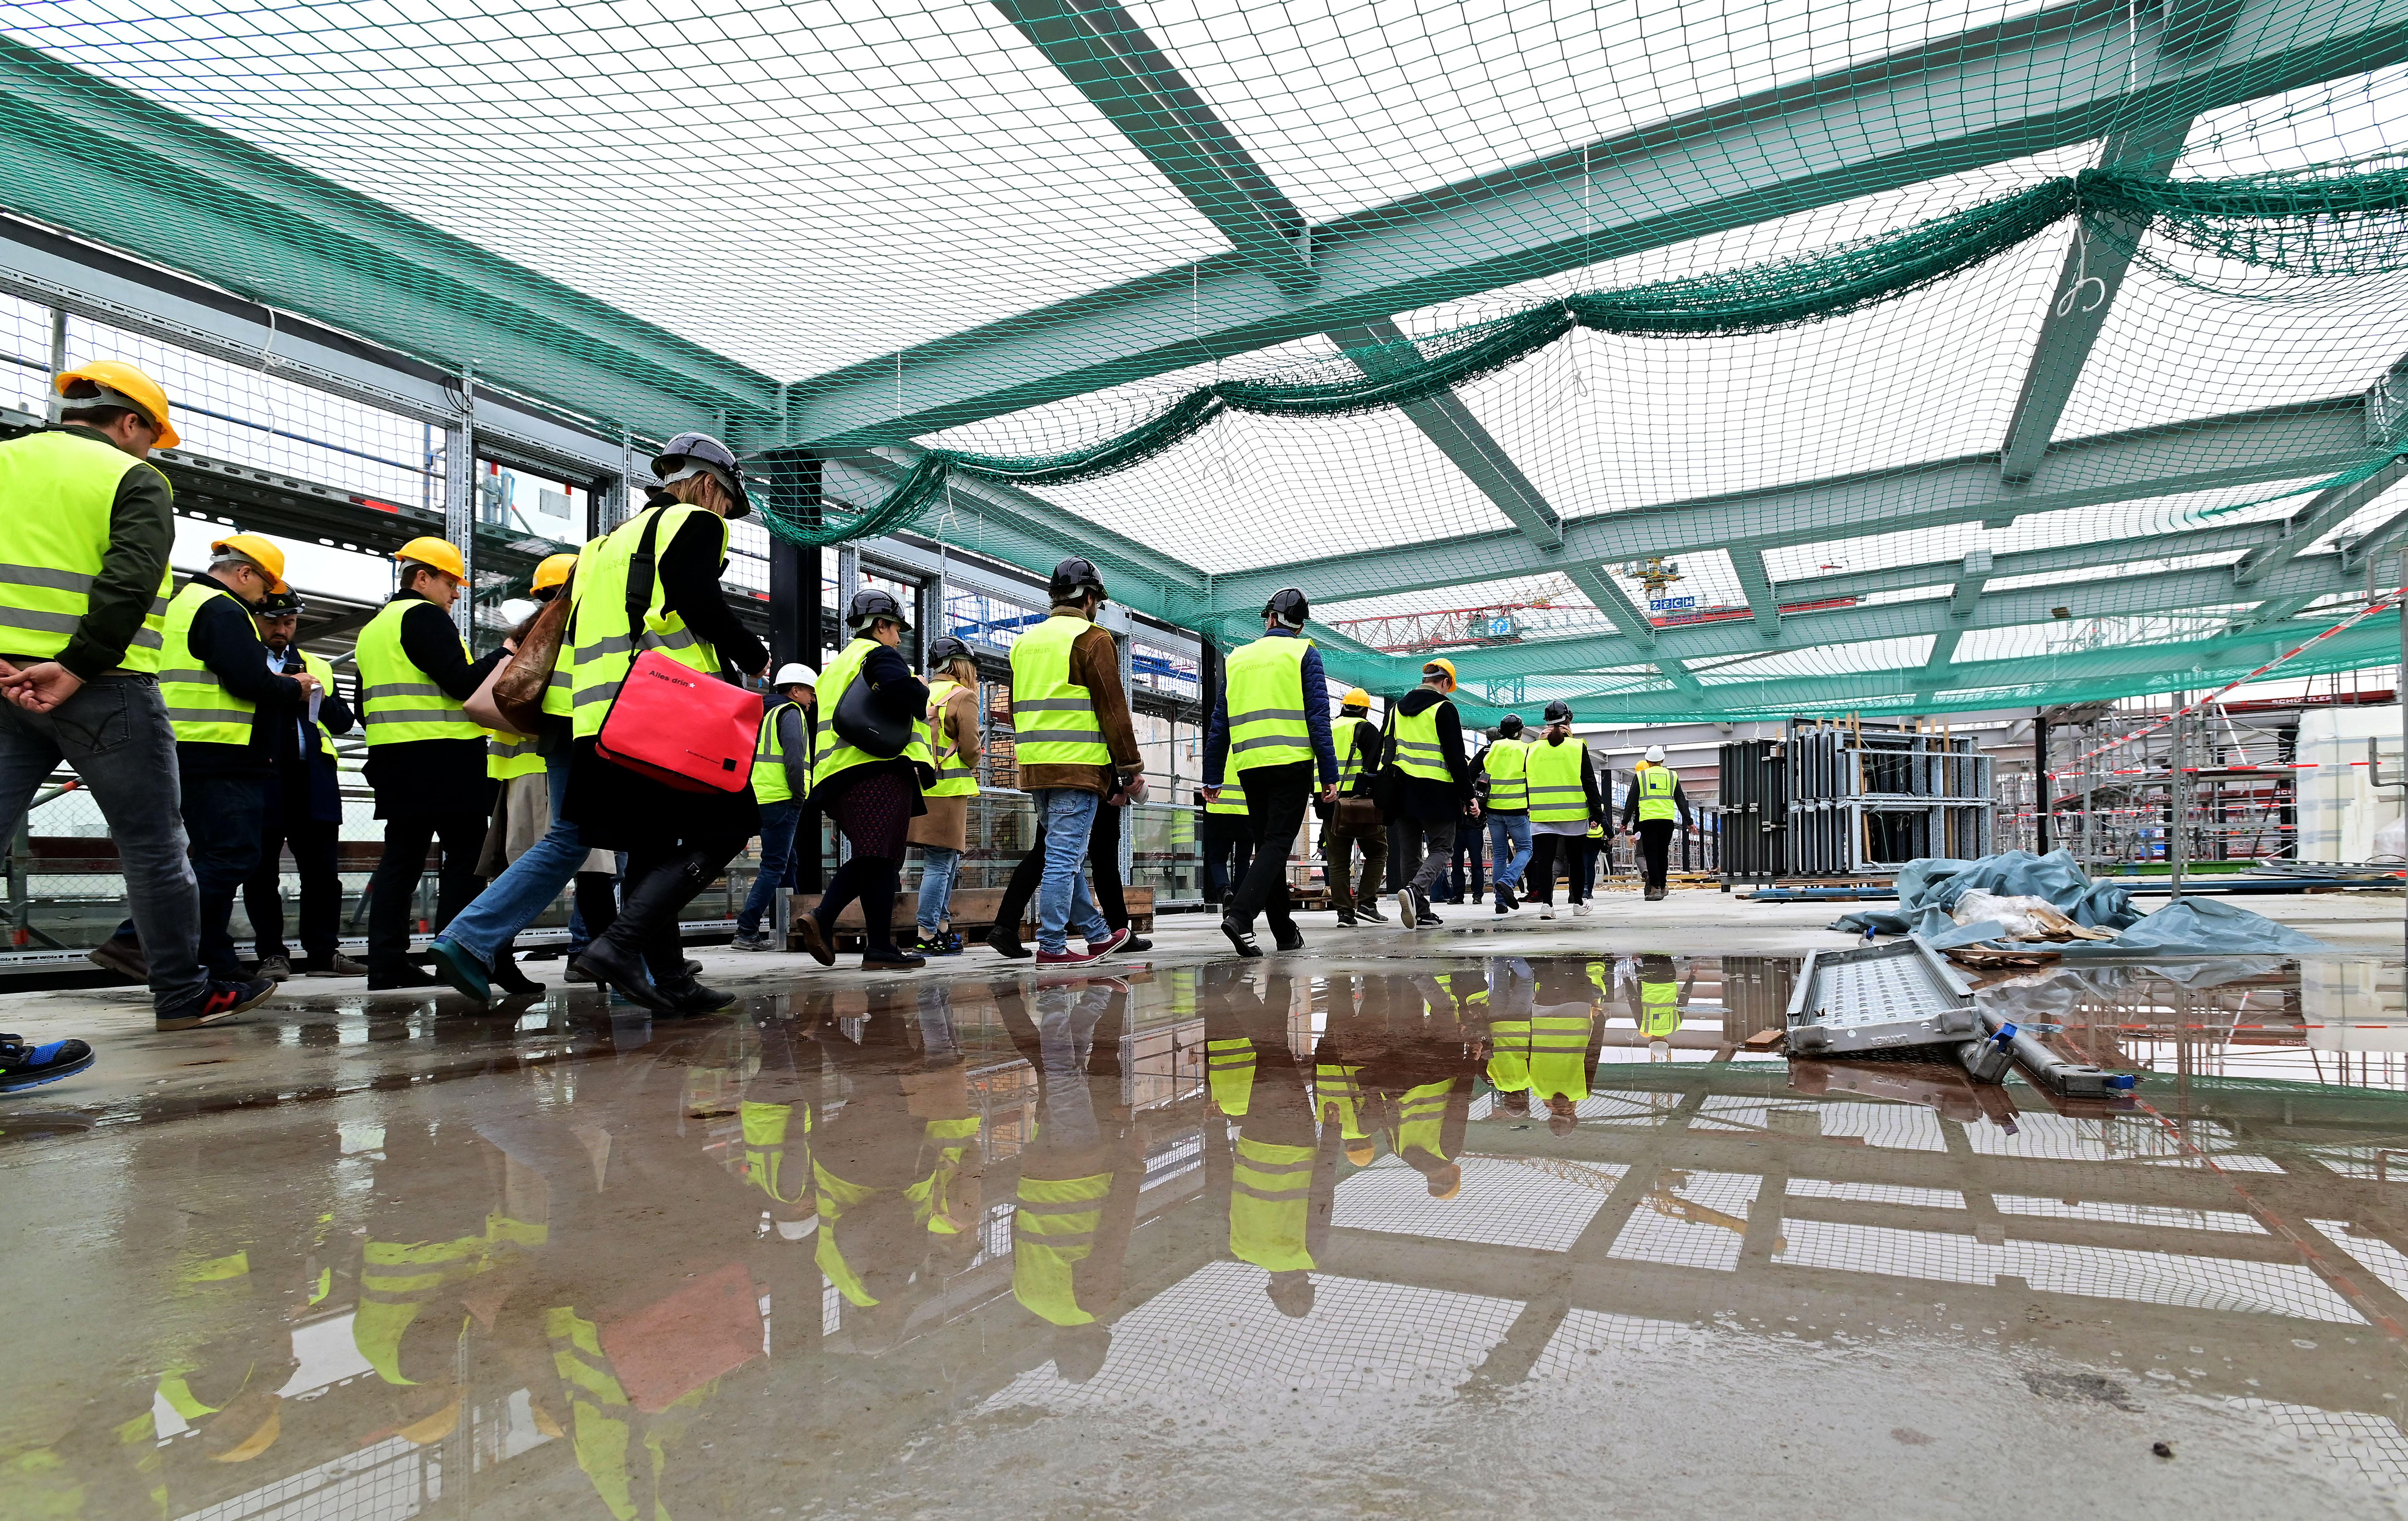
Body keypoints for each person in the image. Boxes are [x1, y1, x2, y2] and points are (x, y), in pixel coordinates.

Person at [0, 360, 273, 1036]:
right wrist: (73, 665)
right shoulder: (134, 478)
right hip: (104, 689)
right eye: (152, 437)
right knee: (154, 848)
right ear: (129, 423)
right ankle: (182, 994)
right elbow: (127, 585)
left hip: (4, 683)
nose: (152, 451)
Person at [560, 433, 771, 1008]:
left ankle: (672, 979)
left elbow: (577, 633)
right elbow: (699, 601)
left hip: (602, 719)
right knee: (731, 825)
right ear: (709, 485)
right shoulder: (693, 523)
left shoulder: (603, 546)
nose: (726, 516)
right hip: (667, 710)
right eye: (728, 503)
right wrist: (754, 655)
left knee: (651, 848)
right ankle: (618, 946)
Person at [101, 533, 318, 990]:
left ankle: (216, 964)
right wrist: (293, 687)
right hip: (221, 751)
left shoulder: (187, 602)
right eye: (266, 586)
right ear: (245, 574)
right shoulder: (224, 610)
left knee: (210, 856)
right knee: (232, 856)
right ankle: (137, 940)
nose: (266, 597)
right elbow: (249, 680)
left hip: (191, 748)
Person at [355, 535, 505, 989]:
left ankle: (385, 963)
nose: (456, 594)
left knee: (401, 861)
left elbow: (365, 707)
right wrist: (504, 654)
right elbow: (462, 685)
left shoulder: (374, 630)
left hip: (394, 759)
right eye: (450, 583)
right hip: (446, 760)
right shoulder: (424, 617)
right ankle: (454, 955)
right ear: (422, 578)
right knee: (463, 859)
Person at [993, 558, 1139, 968]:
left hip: (1037, 766)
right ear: (1089, 598)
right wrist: (1130, 767)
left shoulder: (1024, 643)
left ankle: (1095, 934)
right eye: (1098, 602)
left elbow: (1015, 708)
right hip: (1077, 767)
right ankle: (1053, 945)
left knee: (1065, 855)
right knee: (1062, 859)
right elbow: (1113, 709)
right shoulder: (1093, 638)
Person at [795, 588, 932, 972]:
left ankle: (880, 947)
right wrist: (922, 696)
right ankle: (823, 916)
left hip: (836, 775)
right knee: (876, 855)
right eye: (896, 630)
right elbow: (894, 686)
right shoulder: (878, 655)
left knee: (882, 859)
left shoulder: (834, 669)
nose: (899, 638)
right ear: (881, 626)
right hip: (874, 769)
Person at [464, 555, 582, 998]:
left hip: (519, 773)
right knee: (578, 864)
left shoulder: (521, 639)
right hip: (545, 768)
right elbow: (481, 704)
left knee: (528, 867)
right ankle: (483, 947)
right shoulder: (553, 635)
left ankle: (494, 953)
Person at [1203, 586, 1338, 958]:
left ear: (1271, 617)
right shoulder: (1303, 653)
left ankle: (1284, 932)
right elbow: (1318, 719)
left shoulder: (1238, 658)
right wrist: (1329, 773)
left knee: (1269, 848)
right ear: (1299, 623)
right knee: (1278, 843)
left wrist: (1213, 776)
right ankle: (1241, 917)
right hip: (1291, 763)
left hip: (1249, 766)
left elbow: (1220, 724)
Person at [242, 587, 363, 979]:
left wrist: (314, 694)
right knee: (261, 872)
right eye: (273, 621)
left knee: (323, 873)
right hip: (263, 775)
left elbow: (343, 722)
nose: (282, 629)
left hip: (314, 778)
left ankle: (324, 952)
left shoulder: (315, 664)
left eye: (289, 622)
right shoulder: (243, 660)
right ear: (255, 621)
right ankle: (272, 955)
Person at [986, 768, 1150, 958]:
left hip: (1046, 779)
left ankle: (1006, 925)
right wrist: (1118, 784)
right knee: (1101, 858)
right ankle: (1108, 934)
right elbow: (1107, 741)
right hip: (1086, 782)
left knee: (1047, 854)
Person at [1379, 658, 1477, 928]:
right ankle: (1415, 891)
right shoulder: (1444, 709)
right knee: (1442, 849)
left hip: (1401, 790)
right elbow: (1456, 758)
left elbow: (1385, 749)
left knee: (1410, 854)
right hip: (1437, 791)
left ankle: (1421, 913)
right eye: (1449, 687)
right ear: (1445, 682)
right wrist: (1469, 796)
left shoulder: (1396, 709)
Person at [731, 663, 816, 952]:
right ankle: (747, 931)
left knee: (787, 861)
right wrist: (799, 792)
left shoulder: (763, 711)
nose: (812, 699)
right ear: (795, 691)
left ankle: (788, 925)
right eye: (809, 692)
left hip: (757, 795)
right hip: (782, 797)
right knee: (774, 865)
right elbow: (794, 757)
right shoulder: (791, 713)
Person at [908, 636, 981, 956]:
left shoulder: (920, 691)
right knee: (940, 863)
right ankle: (926, 932)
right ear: (960, 665)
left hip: (919, 787)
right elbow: (971, 749)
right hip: (948, 789)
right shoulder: (963, 696)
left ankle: (941, 929)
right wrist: (972, 759)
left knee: (943, 861)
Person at [1523, 700, 1603, 919]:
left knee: (1545, 861)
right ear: (1569, 720)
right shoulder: (1578, 747)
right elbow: (1589, 782)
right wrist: (1597, 812)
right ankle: (1578, 903)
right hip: (1574, 814)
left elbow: (1526, 778)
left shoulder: (1532, 749)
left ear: (1546, 722)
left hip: (1542, 814)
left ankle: (1547, 906)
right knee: (1576, 861)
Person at [1321, 687, 1386, 926]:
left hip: (1329, 804)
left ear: (1343, 707)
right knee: (1378, 852)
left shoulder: (1326, 729)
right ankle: (1368, 903)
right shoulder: (1365, 730)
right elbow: (1376, 769)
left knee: (1338, 862)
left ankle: (1345, 915)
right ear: (1365, 710)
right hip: (1360, 805)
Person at [1622, 743, 1694, 901]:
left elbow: (1632, 801)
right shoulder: (1672, 776)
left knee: (1651, 855)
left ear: (1647, 761)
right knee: (1662, 854)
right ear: (1662, 760)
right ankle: (1663, 886)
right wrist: (1689, 821)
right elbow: (1681, 800)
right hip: (1667, 821)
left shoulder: (1641, 776)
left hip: (1648, 821)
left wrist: (1625, 821)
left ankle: (1655, 888)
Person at [1481, 713, 1531, 916]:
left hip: (1494, 809)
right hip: (1517, 808)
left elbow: (1482, 769)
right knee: (1526, 849)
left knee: (1500, 855)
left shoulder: (1494, 748)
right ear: (1520, 732)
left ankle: (1500, 902)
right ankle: (1508, 881)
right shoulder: (1526, 749)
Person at [1200, 771, 1251, 908]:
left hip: (1218, 809)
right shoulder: (1247, 749)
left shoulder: (1216, 750)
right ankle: (1239, 903)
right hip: (1246, 811)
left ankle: (1225, 891)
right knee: (1243, 861)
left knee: (1217, 859)